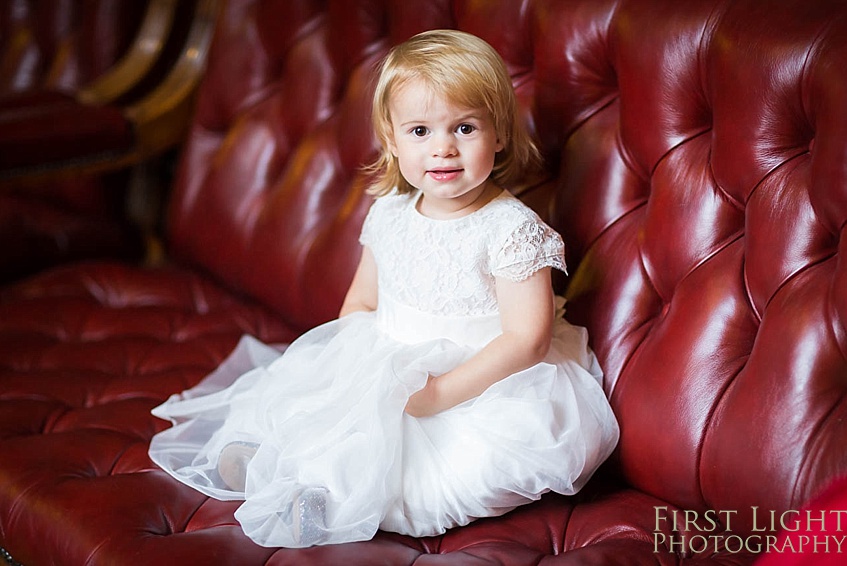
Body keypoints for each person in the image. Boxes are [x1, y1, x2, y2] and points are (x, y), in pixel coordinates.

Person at [148, 29, 620, 549]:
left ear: (500, 134)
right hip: (390, 361)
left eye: (464, 127)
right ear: (392, 141)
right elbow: (362, 303)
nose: (442, 148)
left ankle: (334, 501)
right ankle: (283, 468)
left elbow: (526, 340)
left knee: (433, 474)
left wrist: (440, 393)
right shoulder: (390, 213)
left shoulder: (511, 230)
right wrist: (345, 369)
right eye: (420, 130)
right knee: (323, 421)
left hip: (486, 383)